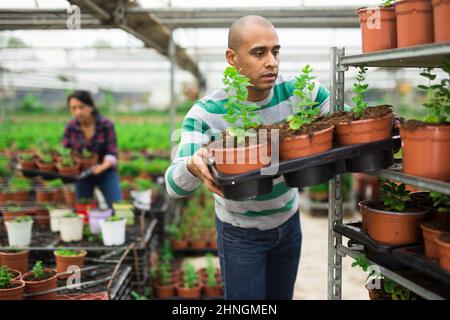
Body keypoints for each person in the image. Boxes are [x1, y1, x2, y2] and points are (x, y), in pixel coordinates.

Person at [165, 15, 340, 299]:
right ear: (232, 58)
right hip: (240, 233)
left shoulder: (302, 93)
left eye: (275, 51)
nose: (271, 61)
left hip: (289, 222)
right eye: (259, 52)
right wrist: (191, 164)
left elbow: (351, 116)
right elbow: (173, 186)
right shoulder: (206, 113)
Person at [62, 90, 121, 208]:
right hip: (82, 174)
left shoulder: (106, 125)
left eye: (81, 107)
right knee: (84, 208)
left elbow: (112, 152)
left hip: (105, 171)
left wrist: (101, 167)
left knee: (116, 206)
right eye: (73, 108)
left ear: (91, 107)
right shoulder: (71, 127)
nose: (78, 112)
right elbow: (65, 151)